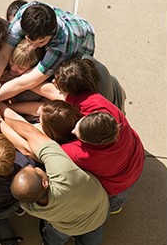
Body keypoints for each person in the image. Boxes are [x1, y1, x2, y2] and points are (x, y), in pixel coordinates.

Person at [0, 1, 95, 127]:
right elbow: (2, 56)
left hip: (79, 49)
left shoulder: (63, 44)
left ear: (52, 32)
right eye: (29, 40)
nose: (33, 46)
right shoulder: (24, 13)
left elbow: (27, 81)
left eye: (40, 42)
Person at [2, 116, 109, 245]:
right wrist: (2, 117)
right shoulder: (64, 173)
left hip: (64, 227)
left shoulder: (29, 206)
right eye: (36, 170)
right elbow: (32, 133)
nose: (37, 167)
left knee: (54, 241)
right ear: (45, 183)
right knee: (91, 243)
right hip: (96, 216)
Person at [53, 62, 145, 213]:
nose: (74, 130)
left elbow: (46, 147)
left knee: (112, 204)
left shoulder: (80, 154)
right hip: (136, 160)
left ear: (88, 142)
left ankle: (113, 208)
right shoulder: (106, 112)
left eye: (77, 132)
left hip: (118, 186)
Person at [34, 56, 127, 113]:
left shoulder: (83, 102)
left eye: (59, 87)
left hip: (113, 107)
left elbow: (48, 91)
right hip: (116, 89)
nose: (53, 81)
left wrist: (25, 83)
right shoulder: (88, 61)